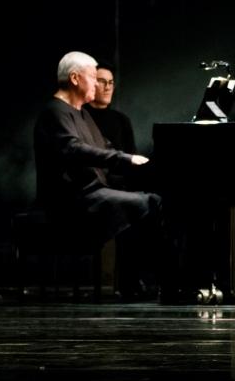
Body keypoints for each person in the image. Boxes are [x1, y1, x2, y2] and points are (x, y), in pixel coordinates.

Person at [34, 51, 173, 300]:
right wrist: (124, 159)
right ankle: (162, 283)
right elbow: (73, 149)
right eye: (93, 77)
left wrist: (148, 165)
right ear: (75, 78)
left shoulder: (82, 113)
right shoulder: (54, 112)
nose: (97, 85)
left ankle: (149, 282)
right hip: (71, 200)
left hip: (91, 193)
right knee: (147, 203)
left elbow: (104, 148)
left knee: (152, 199)